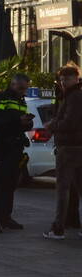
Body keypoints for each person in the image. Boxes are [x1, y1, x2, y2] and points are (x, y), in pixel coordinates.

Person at [0, 73, 34, 234]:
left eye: (25, 89)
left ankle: (6, 217)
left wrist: (27, 123)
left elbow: (24, 123)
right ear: (13, 84)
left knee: (11, 183)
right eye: (21, 88)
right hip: (2, 145)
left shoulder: (20, 100)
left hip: (16, 146)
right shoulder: (0, 97)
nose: (23, 91)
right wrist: (17, 121)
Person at [43, 64, 82, 240]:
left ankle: (58, 228)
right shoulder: (70, 95)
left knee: (62, 189)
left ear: (76, 78)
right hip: (76, 147)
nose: (63, 82)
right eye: (61, 79)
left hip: (69, 147)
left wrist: (52, 126)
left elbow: (70, 123)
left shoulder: (74, 97)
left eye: (67, 79)